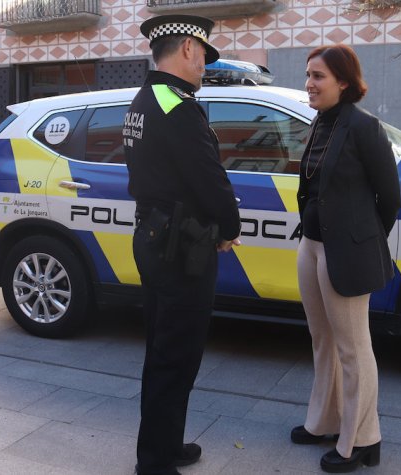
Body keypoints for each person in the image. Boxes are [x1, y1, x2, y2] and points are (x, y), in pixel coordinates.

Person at [124, 14, 241, 475]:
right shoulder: (177, 105)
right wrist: (229, 225)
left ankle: (166, 443)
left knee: (164, 348)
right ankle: (154, 460)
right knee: (177, 354)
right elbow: (207, 177)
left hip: (157, 239)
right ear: (188, 49)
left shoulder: (146, 98)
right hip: (178, 249)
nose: (204, 68)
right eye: (203, 56)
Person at [291, 44, 401, 473]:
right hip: (312, 245)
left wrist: (360, 241)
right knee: (323, 342)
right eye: (308, 75)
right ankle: (324, 421)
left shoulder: (364, 127)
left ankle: (362, 440)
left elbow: (390, 197)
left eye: (317, 76)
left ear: (343, 81)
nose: (309, 84)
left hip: (344, 253)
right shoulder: (321, 122)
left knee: (354, 349)